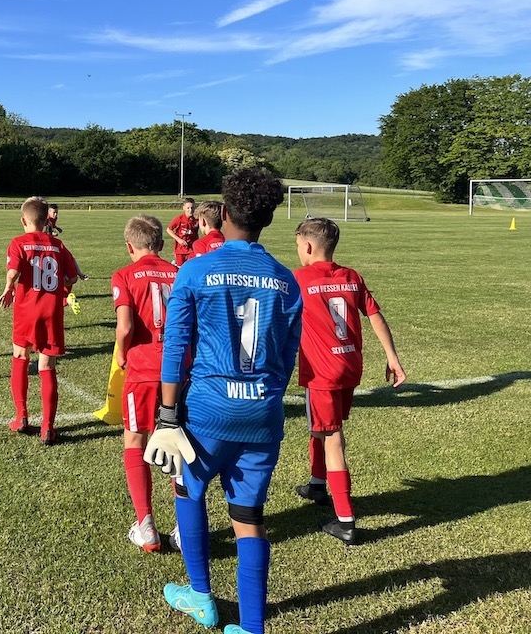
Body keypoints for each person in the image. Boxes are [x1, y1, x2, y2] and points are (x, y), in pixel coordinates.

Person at [147, 168, 303, 634]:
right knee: (249, 518)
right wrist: (262, 397)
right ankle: (252, 628)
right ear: (267, 220)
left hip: (208, 411)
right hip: (262, 413)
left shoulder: (196, 269)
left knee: (186, 489)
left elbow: (176, 347)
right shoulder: (286, 279)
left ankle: (201, 597)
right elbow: (286, 357)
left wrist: (167, 416)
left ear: (225, 212)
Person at [293, 217, 407, 546]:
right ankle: (317, 484)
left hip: (323, 372)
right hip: (349, 366)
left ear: (308, 246)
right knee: (322, 425)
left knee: (332, 437)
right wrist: (392, 357)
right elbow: (374, 315)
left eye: (298, 245)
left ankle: (345, 520)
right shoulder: (351, 277)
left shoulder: (299, 279)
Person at [112, 214, 179, 552]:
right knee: (178, 444)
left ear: (129, 246)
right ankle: (184, 527)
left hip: (142, 369)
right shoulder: (179, 272)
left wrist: (122, 353)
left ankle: (146, 524)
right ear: (162, 244)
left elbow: (125, 326)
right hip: (178, 370)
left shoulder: (124, 274)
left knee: (135, 439)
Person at [0, 197, 78, 445]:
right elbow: (71, 277)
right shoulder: (58, 245)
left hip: (26, 310)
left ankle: (21, 417)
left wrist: (8, 287)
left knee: (21, 357)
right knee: (47, 366)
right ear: (46, 221)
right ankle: (48, 428)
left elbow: (13, 271)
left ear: (23, 220)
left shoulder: (18, 242)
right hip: (51, 311)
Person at [166, 198, 199, 267]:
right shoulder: (179, 219)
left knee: (191, 265)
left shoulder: (196, 220)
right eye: (188, 208)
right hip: (180, 249)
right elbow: (169, 229)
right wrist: (179, 239)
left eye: (192, 208)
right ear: (184, 208)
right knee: (180, 267)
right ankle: (174, 263)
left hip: (191, 249)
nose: (190, 210)